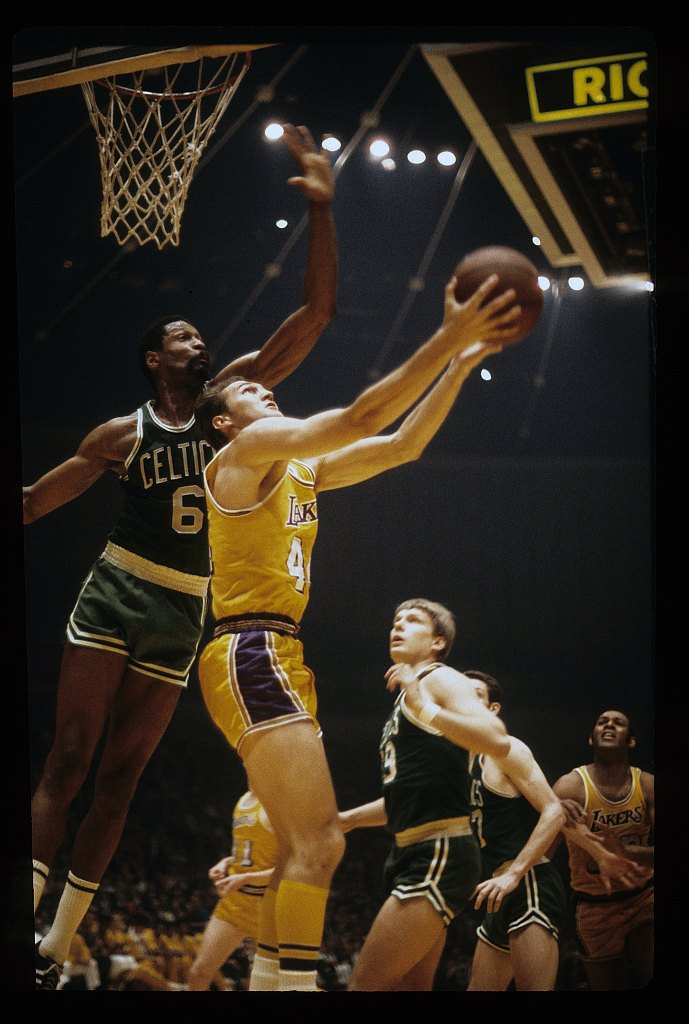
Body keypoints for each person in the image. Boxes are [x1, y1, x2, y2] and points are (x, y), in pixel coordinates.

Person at [25, 123, 339, 990]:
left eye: (207, 339)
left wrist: (321, 210)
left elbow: (313, 317)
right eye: (186, 338)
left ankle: (57, 945)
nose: (203, 345)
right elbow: (31, 504)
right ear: (155, 357)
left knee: (122, 778)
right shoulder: (117, 435)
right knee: (69, 757)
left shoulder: (229, 404)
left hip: (186, 604)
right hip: (118, 587)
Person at [193, 275, 522, 991]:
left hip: (273, 652)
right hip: (252, 647)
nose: (262, 390)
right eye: (246, 390)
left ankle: (273, 985)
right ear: (223, 421)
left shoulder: (296, 469)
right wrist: (448, 336)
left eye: (262, 386)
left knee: (296, 848)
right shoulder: (245, 453)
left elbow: (401, 444)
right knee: (320, 843)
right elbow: (361, 413)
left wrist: (458, 367)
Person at [339, 600, 516, 991]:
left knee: (363, 987)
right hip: (412, 850)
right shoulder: (409, 694)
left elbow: (497, 739)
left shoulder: (439, 679)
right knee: (412, 988)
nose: (398, 625)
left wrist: (426, 707)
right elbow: (410, 793)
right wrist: (348, 819)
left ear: (438, 642)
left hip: (439, 850)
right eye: (395, 620)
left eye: (412, 620)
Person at [463, 669, 568, 991]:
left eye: (474, 694)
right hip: (497, 890)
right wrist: (348, 819)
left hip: (527, 882)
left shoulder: (506, 749)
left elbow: (555, 811)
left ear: (493, 709)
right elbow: (409, 803)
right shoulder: (455, 760)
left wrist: (514, 874)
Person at [549, 708, 654, 990]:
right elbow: (544, 853)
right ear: (591, 740)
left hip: (643, 898)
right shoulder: (570, 786)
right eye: (602, 722)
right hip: (594, 907)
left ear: (630, 741)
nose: (608, 725)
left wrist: (621, 852)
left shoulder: (647, 785)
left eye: (618, 723)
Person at [187, 789, 277, 991]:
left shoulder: (279, 803)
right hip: (234, 902)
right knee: (198, 973)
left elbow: (291, 867)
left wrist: (246, 878)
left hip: (268, 908)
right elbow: (246, 852)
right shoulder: (244, 799)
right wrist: (225, 863)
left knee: (269, 986)